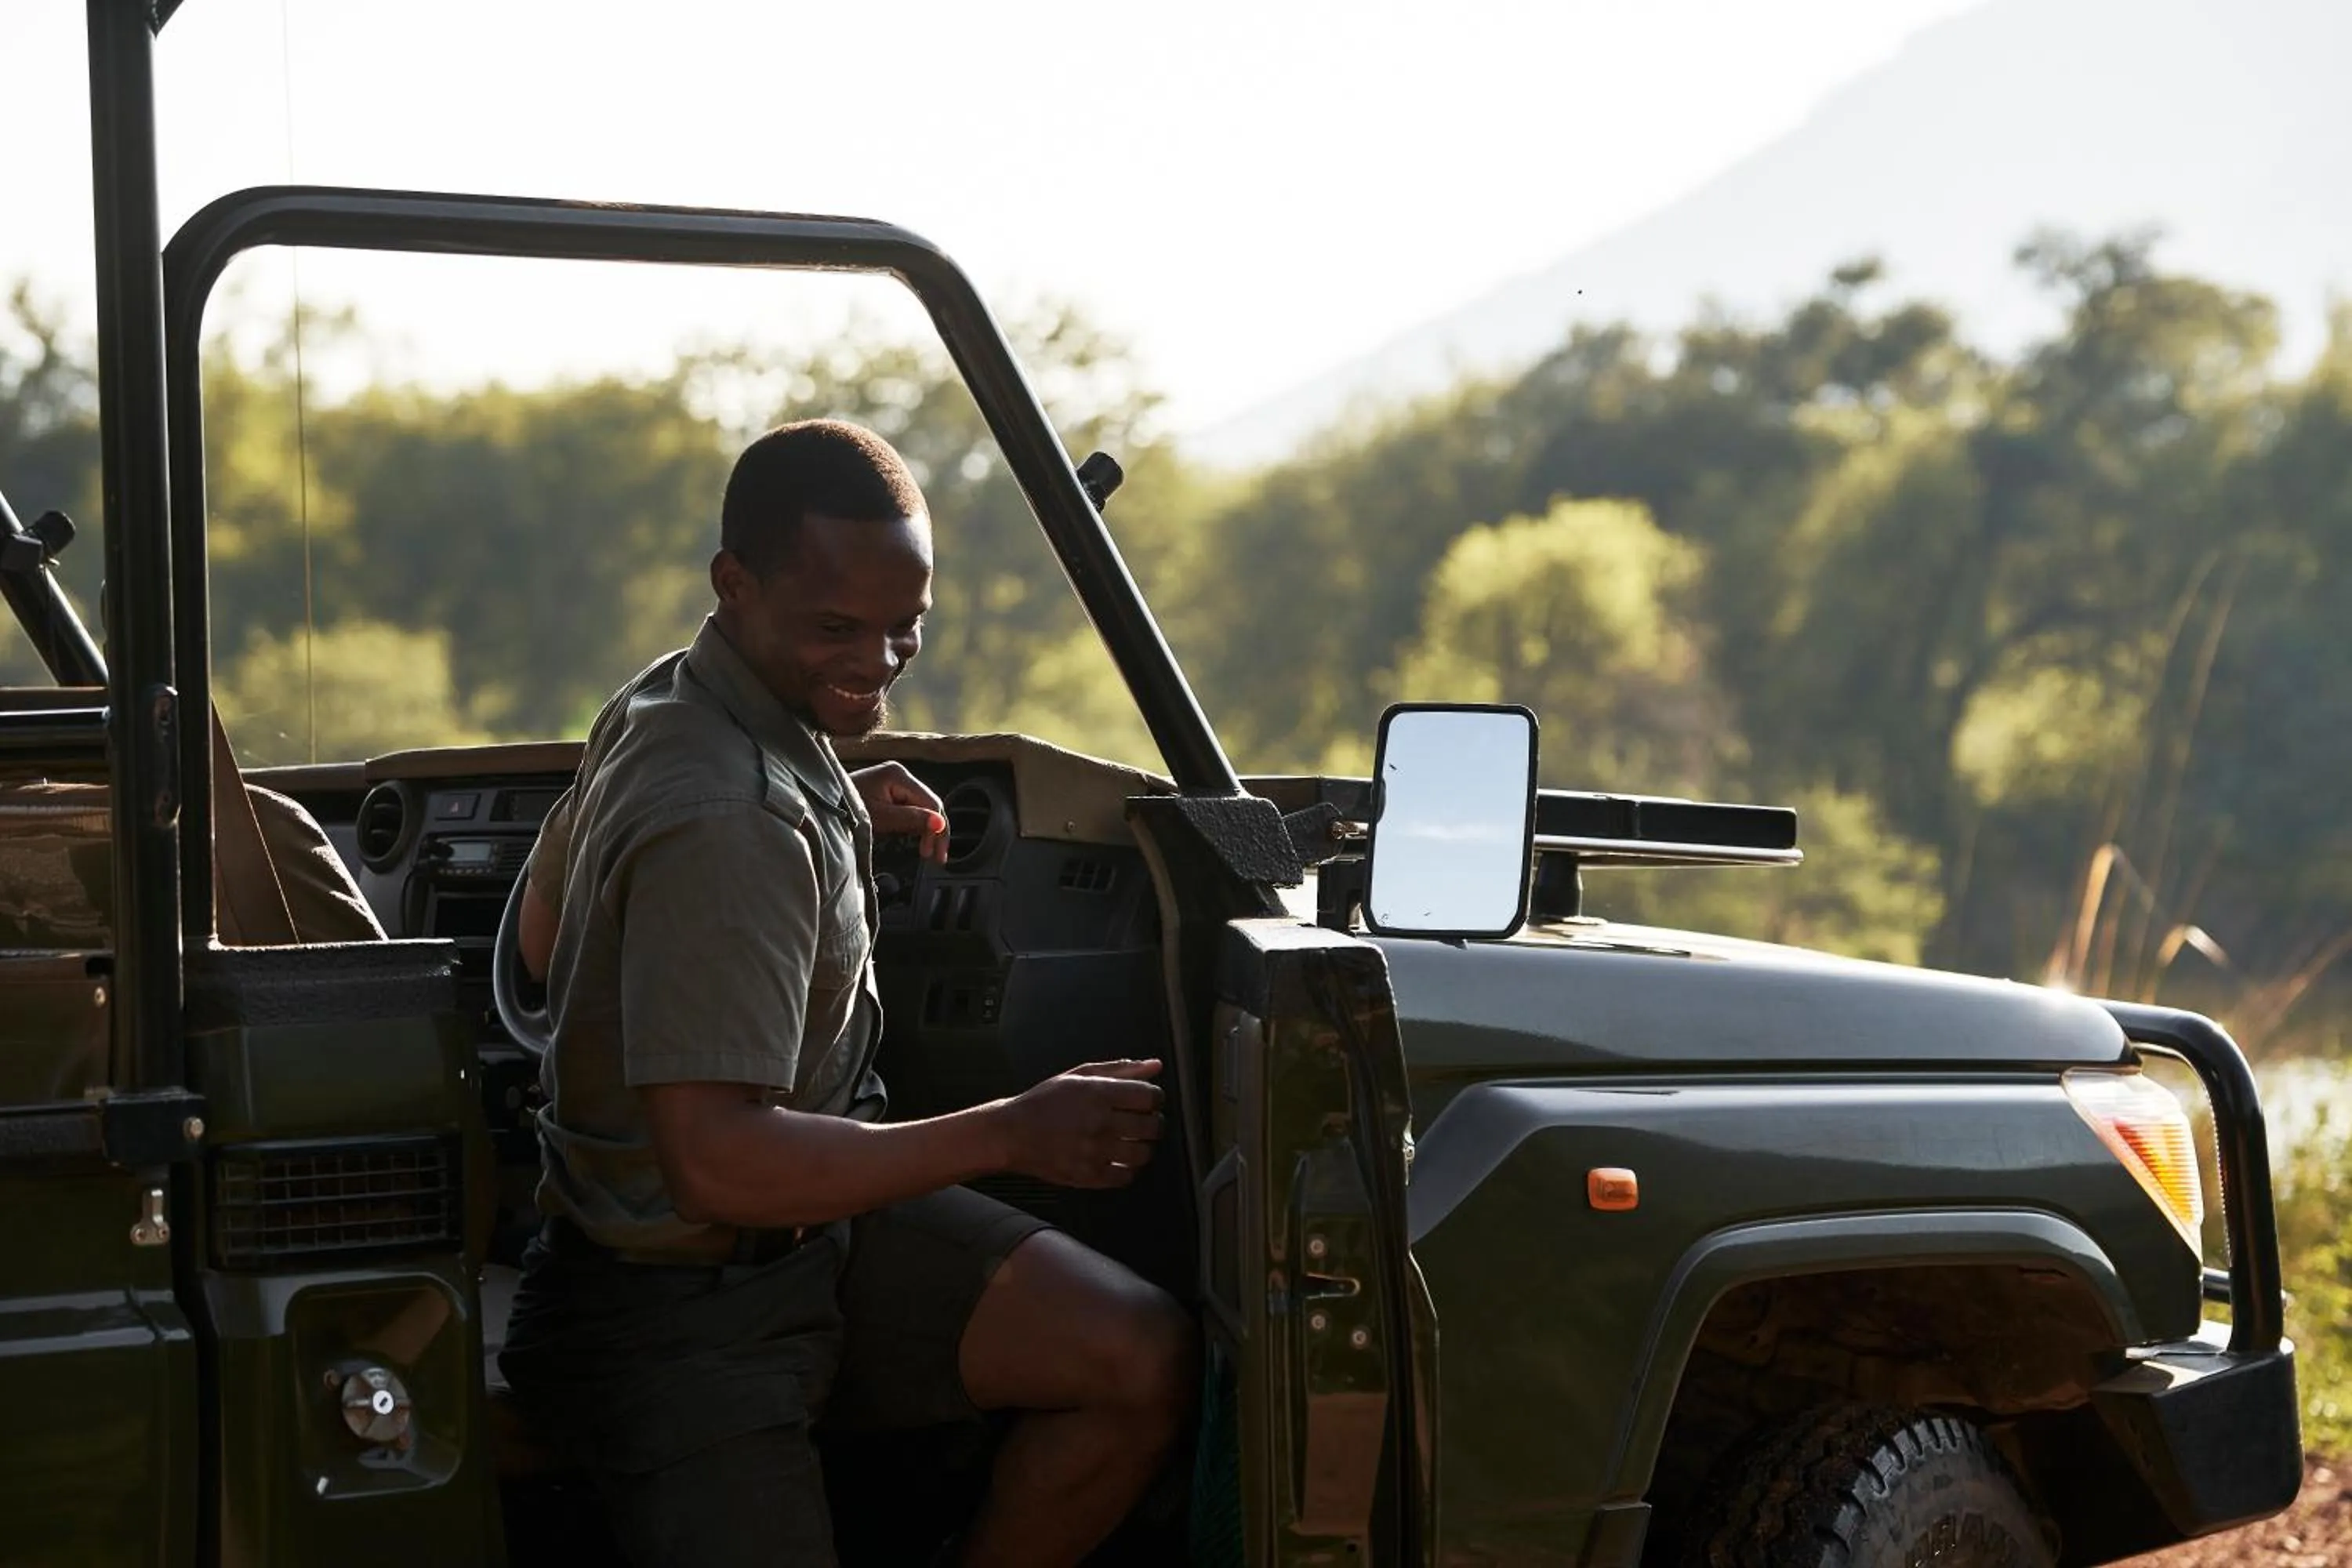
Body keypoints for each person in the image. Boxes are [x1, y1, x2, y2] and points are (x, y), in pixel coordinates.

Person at [499, 419, 1197, 1568]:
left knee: (1132, 1355)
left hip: (812, 1243)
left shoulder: (680, 704)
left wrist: (826, 815)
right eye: (836, 629)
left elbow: (542, 935)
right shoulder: (731, 812)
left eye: (904, 628)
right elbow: (717, 1164)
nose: (875, 662)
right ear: (735, 583)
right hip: (676, 1315)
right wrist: (1015, 1129)